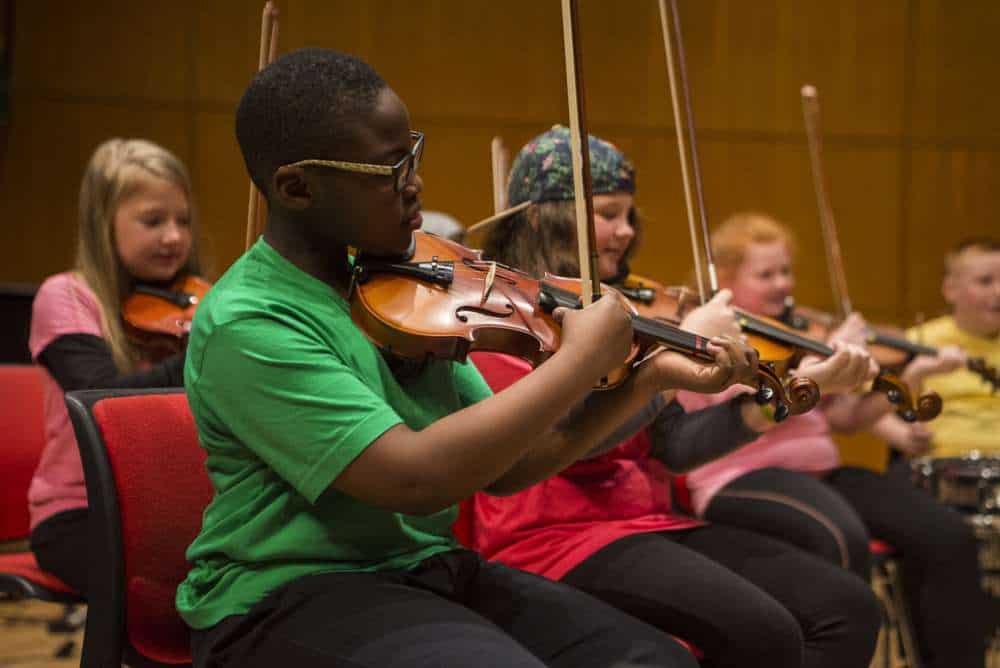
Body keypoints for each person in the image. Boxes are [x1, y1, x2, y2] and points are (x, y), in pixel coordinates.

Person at [176, 48, 759, 668]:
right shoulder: (250, 321)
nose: (415, 183)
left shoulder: (404, 288)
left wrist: (642, 382)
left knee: (650, 660)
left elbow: (507, 467)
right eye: (389, 168)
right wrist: (579, 362)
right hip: (284, 597)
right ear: (298, 187)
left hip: (423, 570)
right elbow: (415, 480)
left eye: (413, 154)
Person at [468, 126, 881, 668]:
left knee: (847, 606)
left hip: (646, 520)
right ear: (547, 217)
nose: (626, 231)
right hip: (550, 536)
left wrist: (795, 394)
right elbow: (567, 438)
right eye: (609, 214)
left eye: (629, 217)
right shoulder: (503, 317)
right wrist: (665, 357)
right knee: (763, 630)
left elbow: (675, 449)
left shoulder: (624, 311)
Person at [678, 212, 991, 668]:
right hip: (739, 475)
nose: (783, 284)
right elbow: (748, 403)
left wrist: (912, 373)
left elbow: (846, 418)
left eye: (786, 271)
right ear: (724, 279)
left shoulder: (796, 334)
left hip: (822, 472)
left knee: (947, 535)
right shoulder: (710, 333)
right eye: (765, 274)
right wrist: (812, 374)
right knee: (841, 535)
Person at [28, 138, 201, 595]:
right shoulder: (67, 297)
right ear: (103, 223)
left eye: (183, 220)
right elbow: (102, 402)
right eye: (153, 220)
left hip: (174, 508)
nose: (174, 236)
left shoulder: (198, 300)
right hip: (81, 515)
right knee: (181, 594)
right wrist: (204, 358)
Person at [872, 237, 1000, 458]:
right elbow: (866, 410)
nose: (998, 291)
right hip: (942, 469)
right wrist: (901, 435)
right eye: (985, 281)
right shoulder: (914, 342)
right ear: (950, 290)